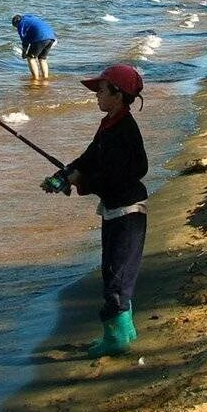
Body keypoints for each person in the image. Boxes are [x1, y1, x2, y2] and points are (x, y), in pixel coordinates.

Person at [41, 64, 147, 357]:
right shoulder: (109, 124)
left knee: (117, 275)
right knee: (113, 270)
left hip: (129, 213)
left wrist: (83, 182)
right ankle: (125, 331)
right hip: (116, 210)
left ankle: (117, 339)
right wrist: (65, 175)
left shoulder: (124, 129)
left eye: (100, 90)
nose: (96, 95)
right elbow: (89, 157)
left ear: (117, 94)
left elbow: (130, 171)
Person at [11, 14, 57, 81]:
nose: (16, 28)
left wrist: (24, 53)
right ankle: (45, 78)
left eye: (16, 26)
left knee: (30, 58)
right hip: (51, 37)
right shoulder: (29, 17)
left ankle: (35, 79)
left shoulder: (21, 25)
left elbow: (24, 41)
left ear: (16, 23)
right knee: (42, 59)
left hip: (41, 37)